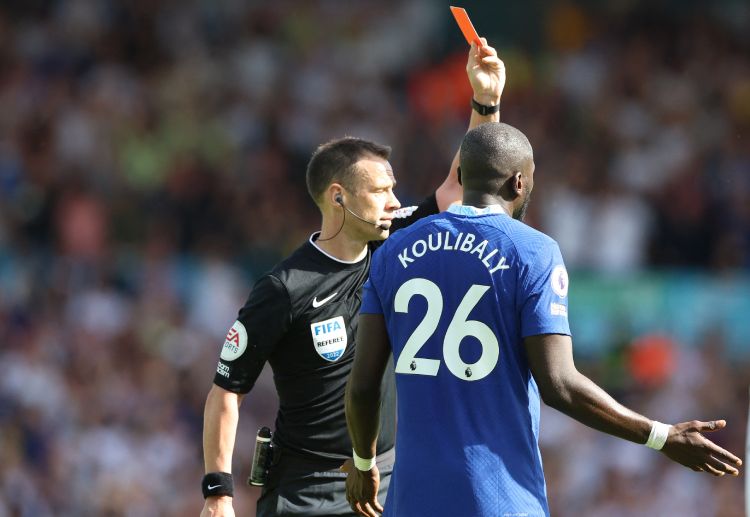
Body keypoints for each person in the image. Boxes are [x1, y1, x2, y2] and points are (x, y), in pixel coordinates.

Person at [344, 122, 743, 517]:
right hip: (499, 499)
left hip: (412, 500)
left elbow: (363, 386)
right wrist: (661, 435)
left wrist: (364, 465)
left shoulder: (395, 249)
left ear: (461, 176)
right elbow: (559, 385)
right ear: (519, 183)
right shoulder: (533, 251)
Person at [200, 39, 506, 517]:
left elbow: (461, 186)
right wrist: (218, 493)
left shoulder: (393, 243)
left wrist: (485, 101)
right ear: (338, 197)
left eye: (393, 188)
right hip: (306, 492)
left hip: (384, 481)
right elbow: (226, 392)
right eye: (380, 190)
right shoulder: (285, 287)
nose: (393, 199)